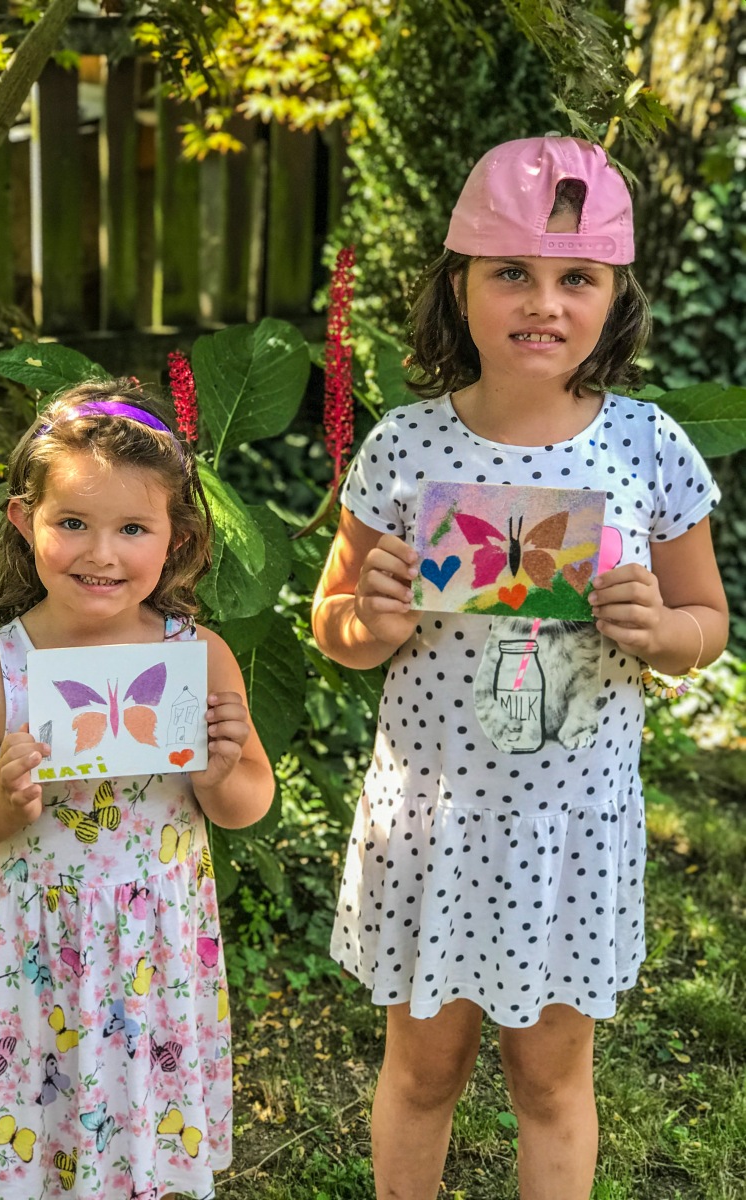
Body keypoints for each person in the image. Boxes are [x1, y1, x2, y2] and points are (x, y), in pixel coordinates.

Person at [311, 136, 728, 1200]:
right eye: (511, 272)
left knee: (550, 1084)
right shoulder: (404, 447)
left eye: (576, 277)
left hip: (569, 827)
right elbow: (333, 624)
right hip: (433, 819)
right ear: (458, 286)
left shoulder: (647, 447)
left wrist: (660, 630)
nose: (542, 303)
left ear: (616, 296)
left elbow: (708, 625)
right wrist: (374, 618)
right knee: (422, 1074)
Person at [0, 381, 275, 1200]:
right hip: (41, 960)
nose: (100, 554)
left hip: (158, 956)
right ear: (23, 521)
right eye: (72, 523)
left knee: (150, 1146)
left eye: (133, 529)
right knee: (46, 1149)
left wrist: (218, 776)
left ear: (177, 538)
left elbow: (250, 798)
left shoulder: (197, 658)